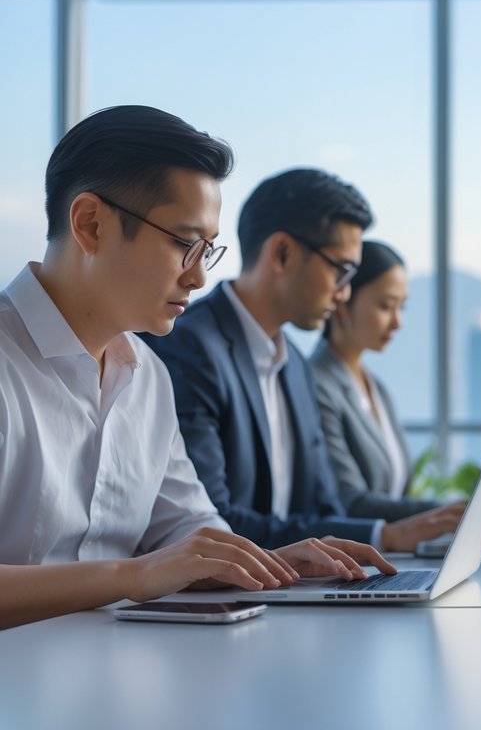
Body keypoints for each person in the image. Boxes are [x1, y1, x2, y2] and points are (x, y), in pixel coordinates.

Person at [0, 105, 393, 629]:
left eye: (208, 249)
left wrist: (268, 564)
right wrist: (129, 576)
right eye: (186, 245)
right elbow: (145, 570)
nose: (199, 277)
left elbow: (190, 531)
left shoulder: (148, 376)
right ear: (91, 224)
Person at [145, 169, 461, 550]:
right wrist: (384, 536)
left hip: (294, 590)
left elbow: (323, 506)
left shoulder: (295, 366)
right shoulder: (189, 348)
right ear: (283, 253)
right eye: (340, 271)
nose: (344, 294)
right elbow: (208, 522)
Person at [310, 240, 454, 520]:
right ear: (343, 300)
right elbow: (348, 501)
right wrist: (448, 512)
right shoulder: (315, 384)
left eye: (402, 307)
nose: (398, 322)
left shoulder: (376, 388)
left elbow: (397, 493)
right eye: (386, 306)